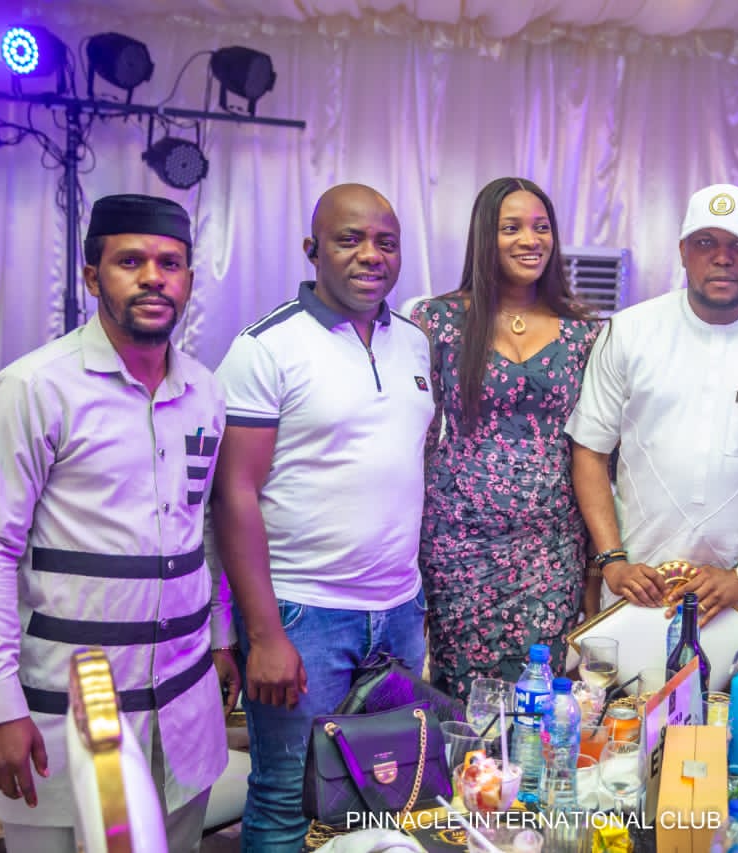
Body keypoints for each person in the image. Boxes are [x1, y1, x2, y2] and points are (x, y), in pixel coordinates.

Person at [0, 194, 238, 852]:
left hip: (183, 701)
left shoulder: (205, 390)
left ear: (189, 280)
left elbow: (202, 526)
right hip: (67, 706)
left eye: (170, 263)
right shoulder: (36, 388)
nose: (153, 278)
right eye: (130, 261)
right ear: (92, 276)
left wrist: (221, 634)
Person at [211, 183, 434, 852]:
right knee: (288, 795)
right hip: (303, 615)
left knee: (382, 791)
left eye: (386, 242)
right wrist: (262, 633)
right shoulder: (266, 347)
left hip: (398, 611)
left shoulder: (413, 343)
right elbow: (233, 495)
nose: (371, 255)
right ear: (312, 250)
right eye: (349, 240)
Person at [567, 183, 738, 634]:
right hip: (639, 586)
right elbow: (589, 452)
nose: (722, 258)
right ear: (682, 251)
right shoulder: (630, 331)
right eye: (705, 242)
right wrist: (613, 561)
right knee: (631, 683)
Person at [411, 177, 599, 698]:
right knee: (461, 701)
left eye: (541, 228)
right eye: (511, 228)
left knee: (539, 696)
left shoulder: (583, 330)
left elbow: (595, 451)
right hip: (457, 544)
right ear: (484, 237)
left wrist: (593, 567)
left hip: (551, 549)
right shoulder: (438, 320)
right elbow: (416, 434)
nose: (530, 240)